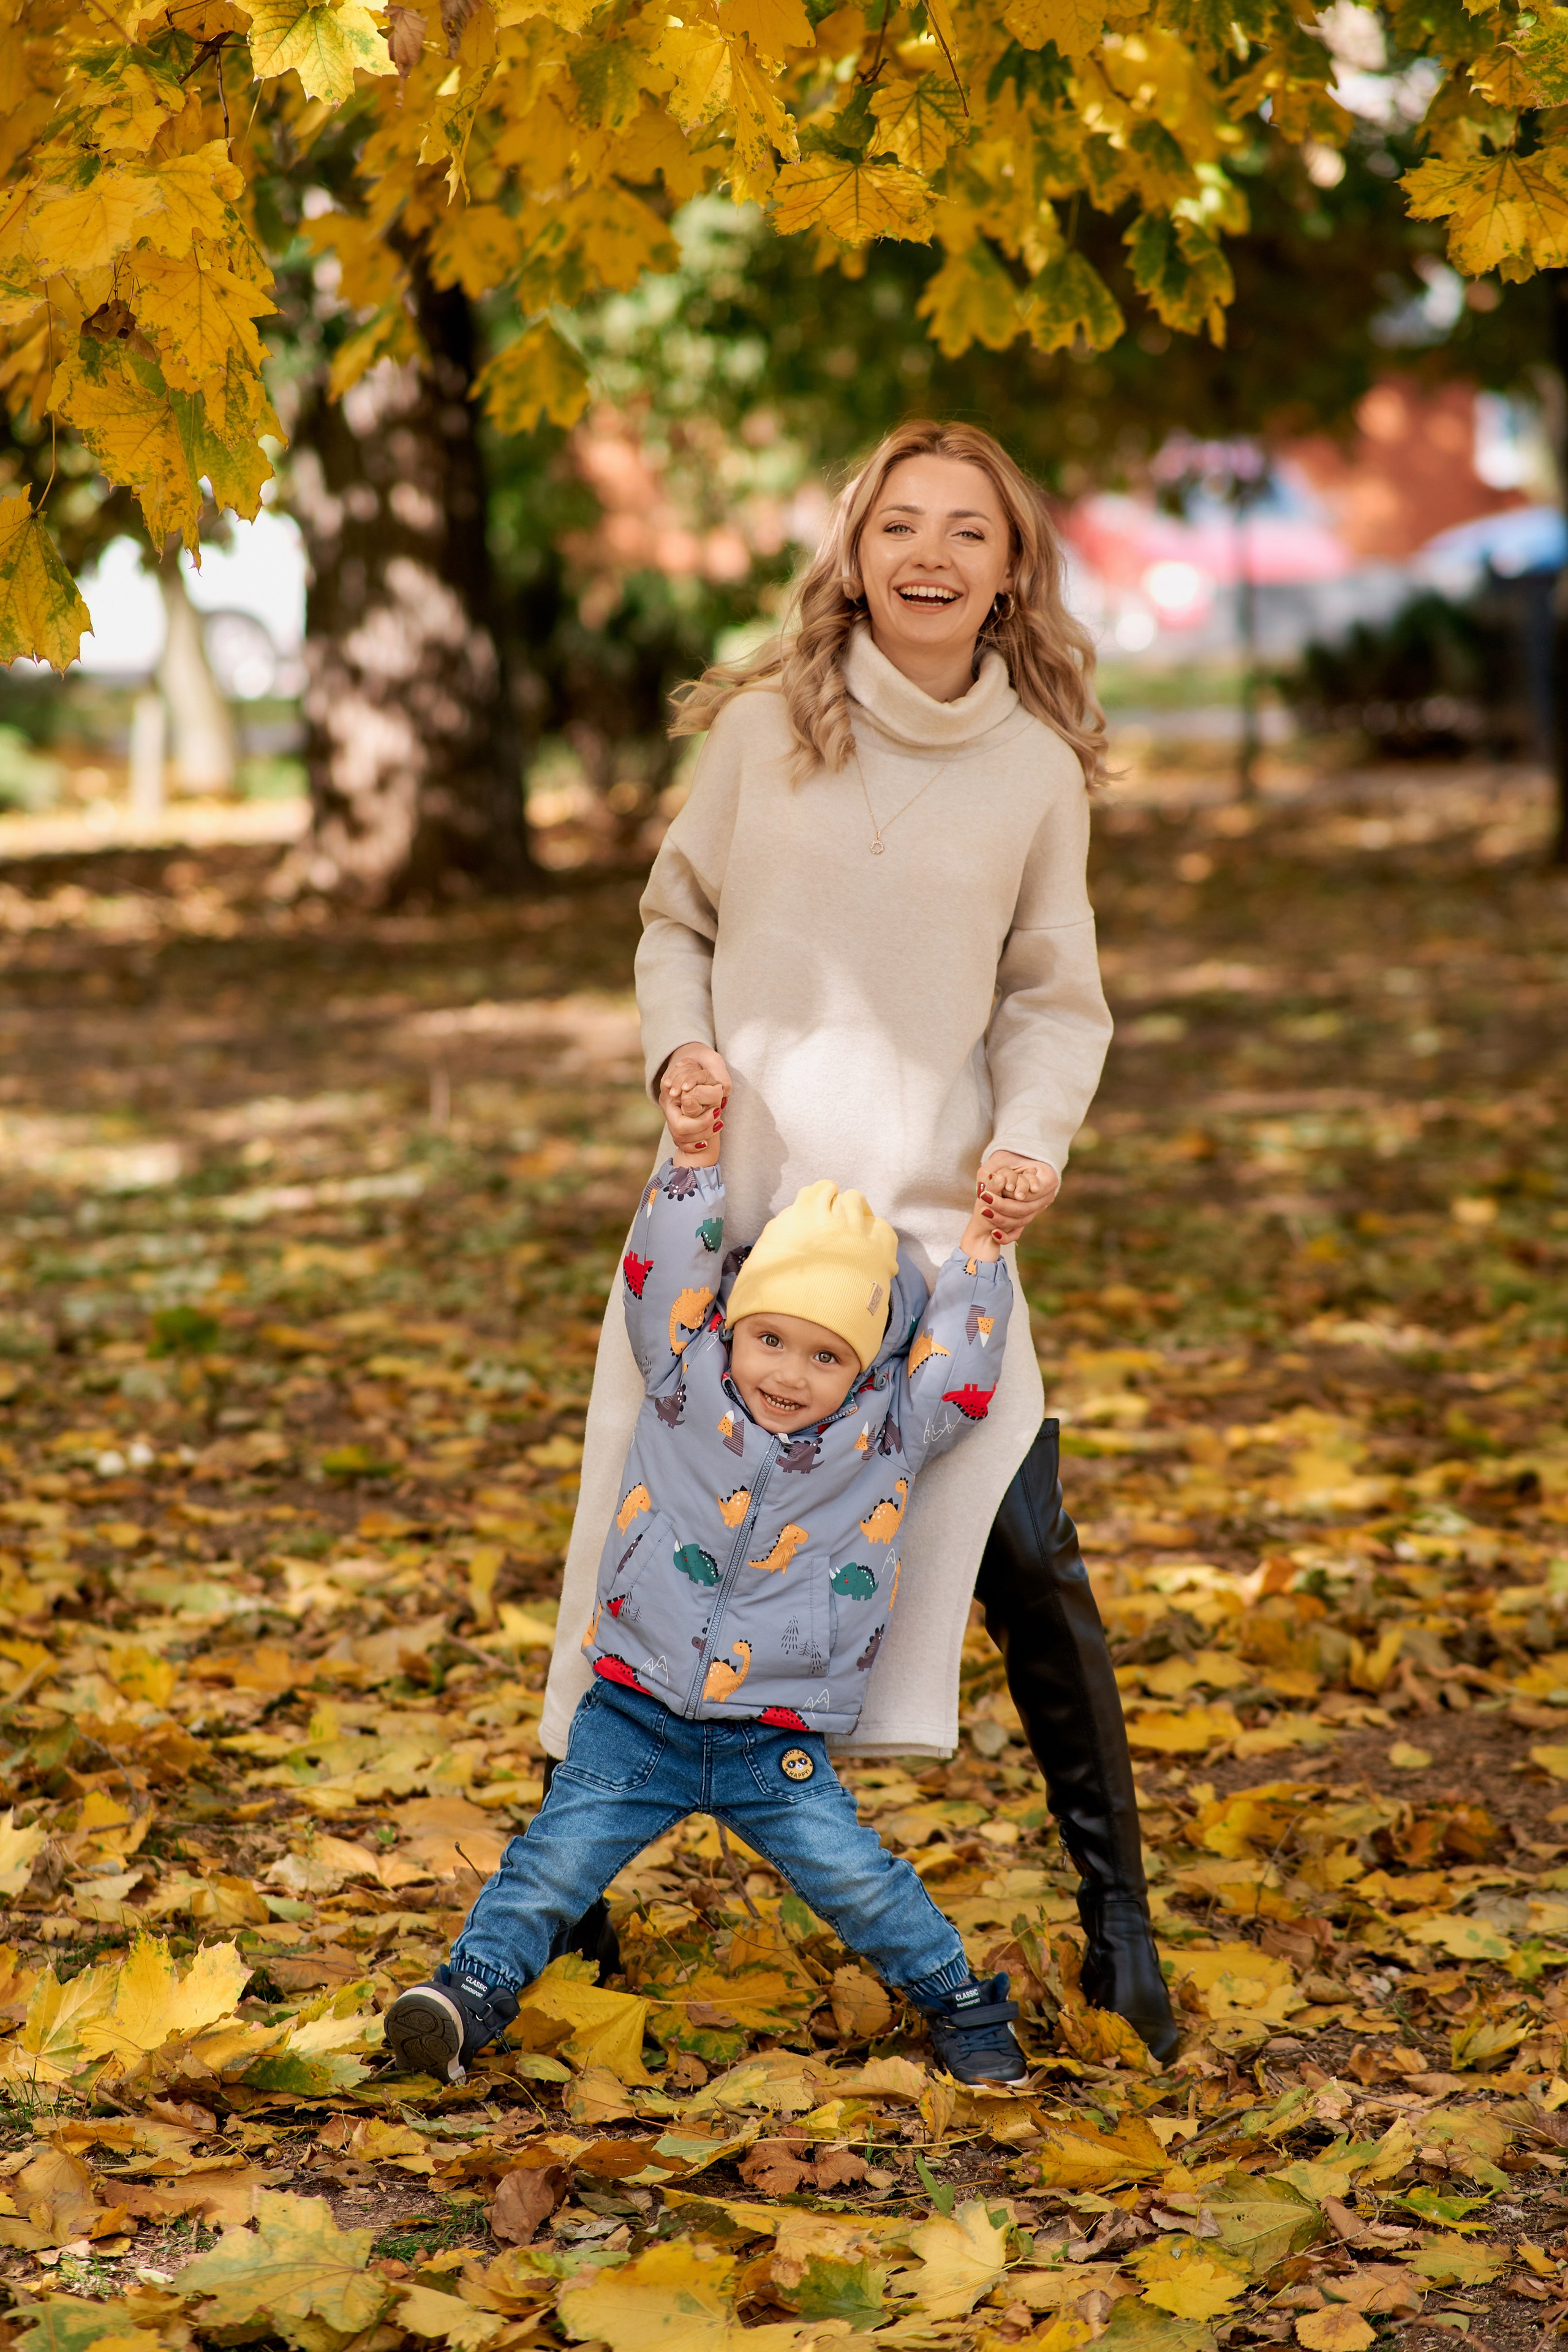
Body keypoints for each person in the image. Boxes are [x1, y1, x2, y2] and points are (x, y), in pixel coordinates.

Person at [537, 419, 1177, 2063]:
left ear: (1010, 568)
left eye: (971, 529)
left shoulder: (1036, 770)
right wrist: (678, 1044)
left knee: (1030, 1548)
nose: (934, 552)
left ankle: (1121, 1925)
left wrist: (1029, 1141)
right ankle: (569, 1900)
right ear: (856, 547)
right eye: (904, 522)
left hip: (929, 1233)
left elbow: (1054, 997)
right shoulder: (764, 732)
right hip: (739, 1215)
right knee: (640, 1525)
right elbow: (674, 917)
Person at [386, 1079, 1030, 2086]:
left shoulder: (887, 1431)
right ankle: (469, 1995)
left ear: (865, 1367)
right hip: (632, 1710)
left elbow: (961, 1370)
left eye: (827, 1355)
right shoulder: (685, 1378)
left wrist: (986, 1255)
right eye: (771, 1336)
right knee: (550, 1866)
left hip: (771, 1734)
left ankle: (958, 2000)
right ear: (734, 1321)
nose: (788, 1372)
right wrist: (690, 1166)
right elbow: (663, 1276)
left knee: (859, 1883)